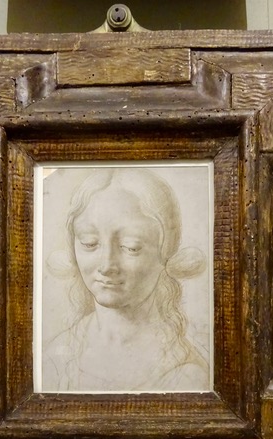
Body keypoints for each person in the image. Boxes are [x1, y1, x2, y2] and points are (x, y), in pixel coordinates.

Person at [42, 167, 210, 392]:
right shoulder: (57, 357)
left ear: (165, 254)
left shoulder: (187, 375)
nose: (107, 266)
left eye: (130, 247)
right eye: (89, 243)